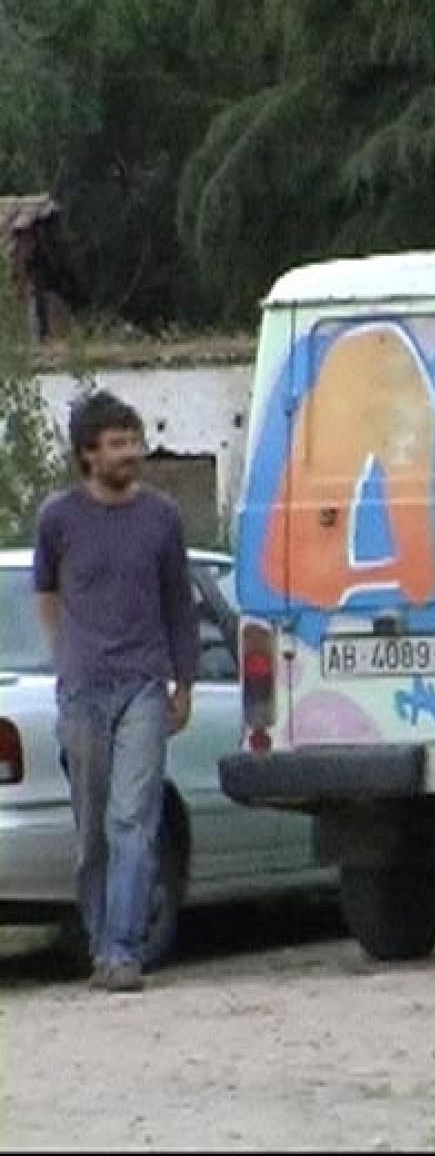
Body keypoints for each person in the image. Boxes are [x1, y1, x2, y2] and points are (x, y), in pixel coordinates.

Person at [33, 391, 198, 993]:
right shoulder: (58, 517)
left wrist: (185, 681)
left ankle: (123, 950)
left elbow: (178, 601)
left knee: (133, 820)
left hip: (145, 686)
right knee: (93, 831)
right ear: (88, 454)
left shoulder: (162, 516)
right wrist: (65, 656)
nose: (131, 453)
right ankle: (101, 941)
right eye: (117, 443)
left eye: (134, 441)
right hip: (82, 690)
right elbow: (46, 591)